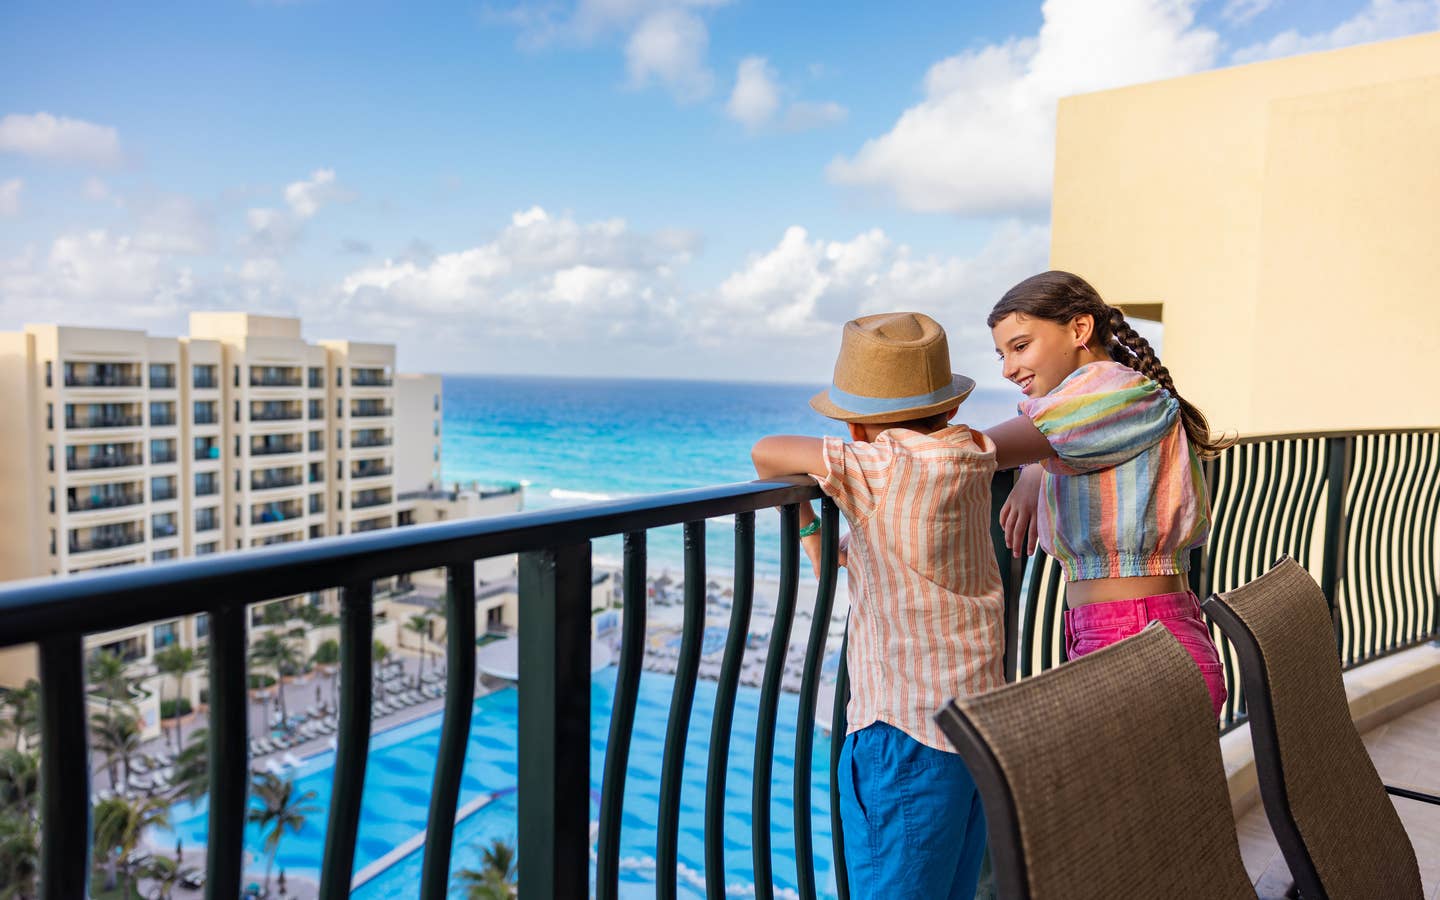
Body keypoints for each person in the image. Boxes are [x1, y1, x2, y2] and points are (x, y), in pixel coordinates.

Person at [751, 311, 1001, 900]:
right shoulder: (974, 453)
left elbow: (767, 453)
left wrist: (811, 535)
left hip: (903, 728)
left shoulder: (882, 468)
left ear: (859, 430)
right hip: (977, 718)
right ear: (952, 410)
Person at [983, 270, 1230, 716]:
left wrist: (839, 461)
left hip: (1134, 634)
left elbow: (976, 451)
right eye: (1000, 355)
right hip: (1131, 627)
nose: (1008, 369)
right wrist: (1038, 466)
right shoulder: (1106, 400)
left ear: (1079, 329)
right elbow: (1060, 433)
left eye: (1020, 347)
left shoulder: (1116, 393)